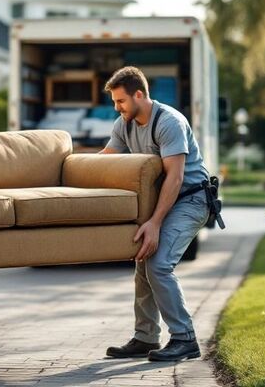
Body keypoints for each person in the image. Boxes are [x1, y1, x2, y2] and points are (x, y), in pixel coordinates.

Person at [99, 66, 210, 362]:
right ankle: (145, 337)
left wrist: (155, 223)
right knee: (142, 264)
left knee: (159, 265)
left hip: (190, 201)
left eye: (120, 101)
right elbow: (103, 164)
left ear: (139, 94)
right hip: (165, 201)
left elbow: (174, 178)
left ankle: (185, 339)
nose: (116, 107)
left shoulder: (169, 122)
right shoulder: (125, 124)